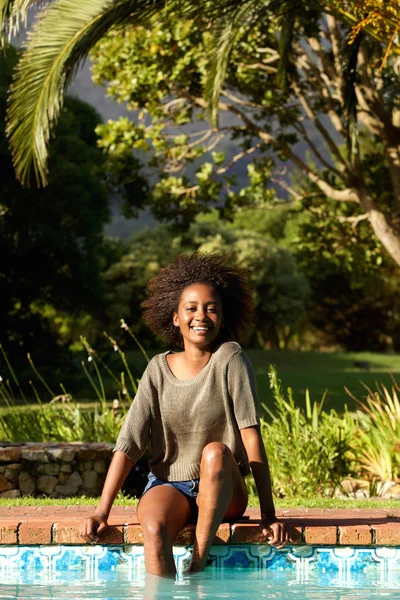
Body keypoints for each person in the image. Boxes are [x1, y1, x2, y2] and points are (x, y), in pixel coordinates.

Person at [80, 253, 288, 575]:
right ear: (175, 317)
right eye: (191, 308)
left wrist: (269, 515)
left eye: (211, 308)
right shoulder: (157, 370)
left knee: (216, 453)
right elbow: (128, 443)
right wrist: (101, 511)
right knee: (153, 530)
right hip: (170, 485)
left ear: (222, 316)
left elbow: (251, 437)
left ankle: (197, 563)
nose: (201, 316)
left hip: (223, 489)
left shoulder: (230, 359)